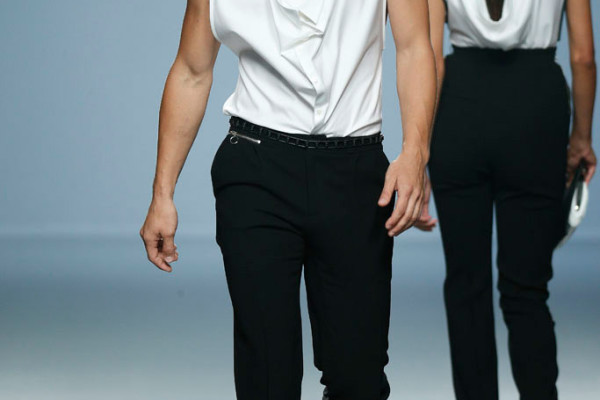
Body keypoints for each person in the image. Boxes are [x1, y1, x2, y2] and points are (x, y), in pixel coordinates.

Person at [140, 0, 437, 399]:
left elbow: (415, 47)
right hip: (255, 169)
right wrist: (162, 195)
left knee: (359, 376)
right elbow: (191, 71)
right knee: (266, 371)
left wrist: (416, 153)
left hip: (354, 170)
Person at [418, 0, 597, 399]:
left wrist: (420, 151)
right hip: (536, 112)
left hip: (460, 109)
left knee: (466, 285)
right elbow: (583, 57)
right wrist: (582, 138)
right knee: (527, 287)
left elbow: (430, 56)